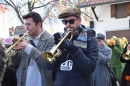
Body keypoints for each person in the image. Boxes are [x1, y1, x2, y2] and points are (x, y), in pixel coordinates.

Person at [45, 7, 99, 86]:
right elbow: (49, 66)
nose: (68, 25)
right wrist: (57, 48)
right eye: (65, 22)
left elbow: (90, 68)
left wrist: (74, 49)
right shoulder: (61, 39)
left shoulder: (90, 39)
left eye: (71, 21)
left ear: (79, 21)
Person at [10, 12, 54, 86]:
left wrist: (28, 48)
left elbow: (47, 63)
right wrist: (14, 50)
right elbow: (14, 64)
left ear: (39, 24)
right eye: (25, 24)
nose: (26, 27)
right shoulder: (25, 39)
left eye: (29, 24)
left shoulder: (51, 40)